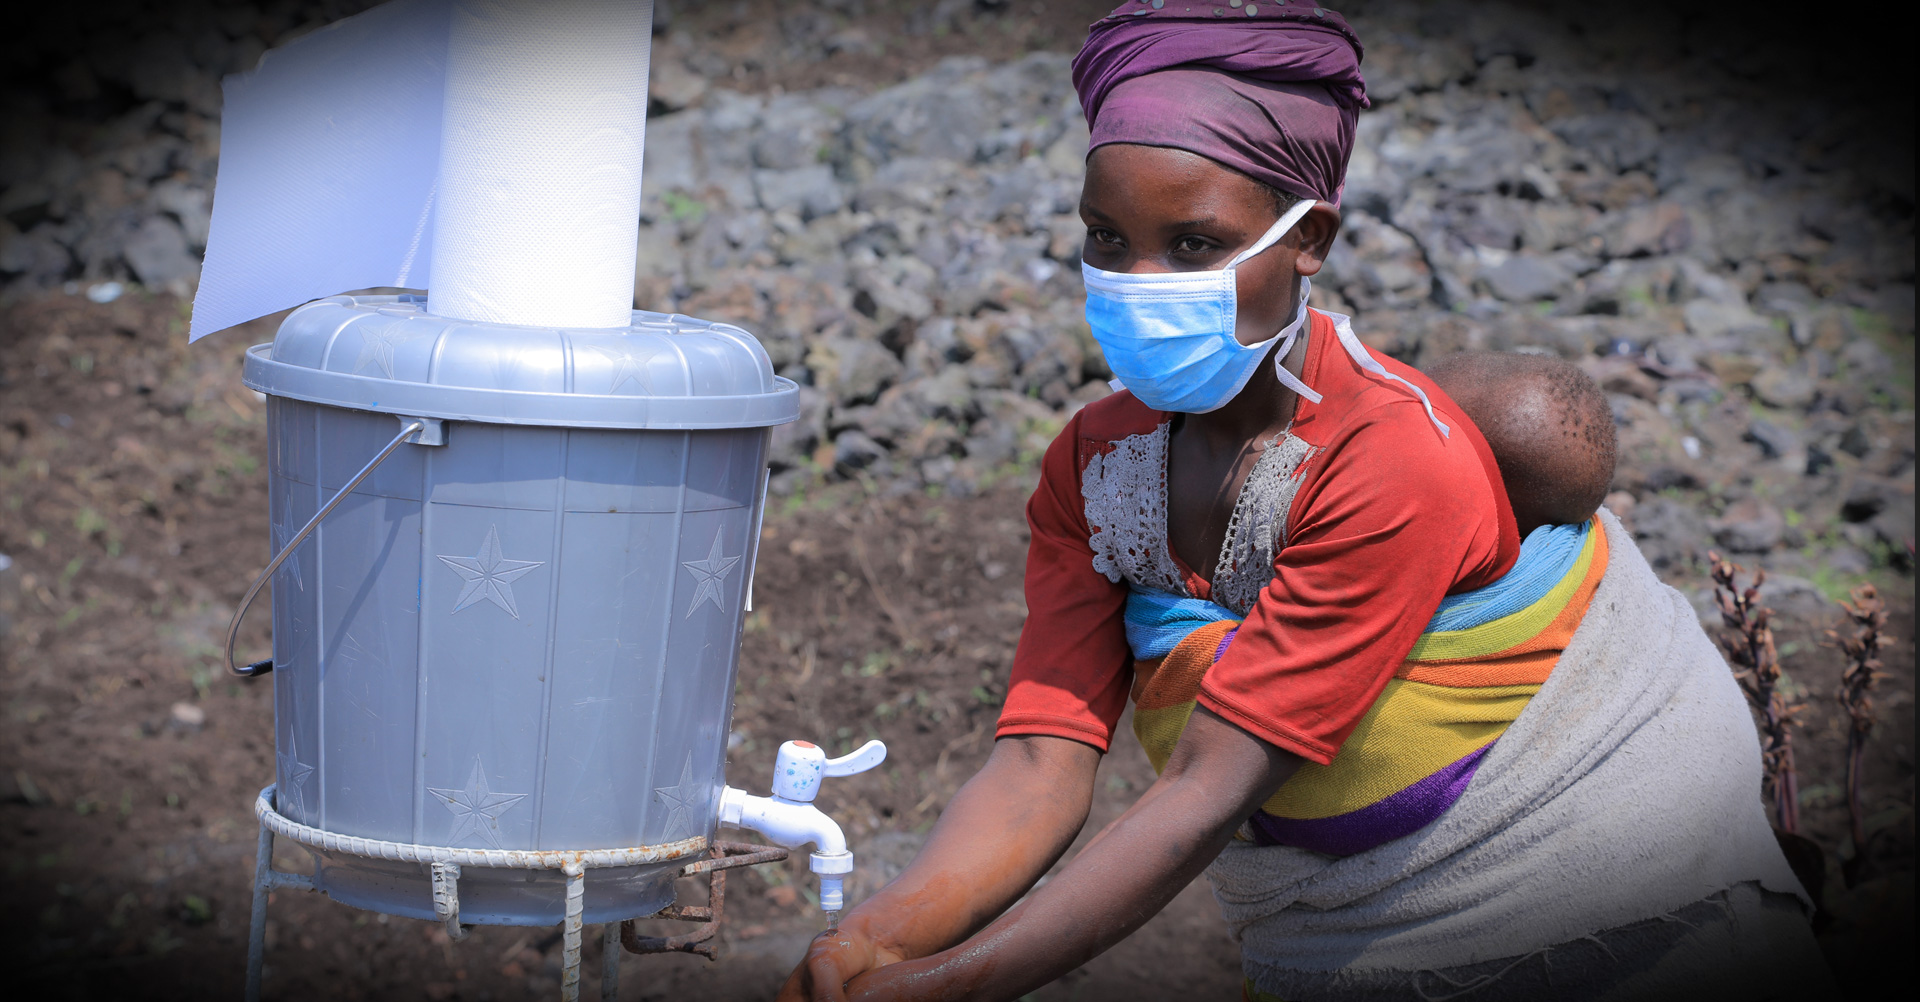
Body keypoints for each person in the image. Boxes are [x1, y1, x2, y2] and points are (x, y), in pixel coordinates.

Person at [779, 6, 1827, 1000]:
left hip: (1605, 933)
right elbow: (1040, 762)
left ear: (1308, 238)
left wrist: (960, 981)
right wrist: (878, 935)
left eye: (1192, 245)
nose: (1139, 280)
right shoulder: (1093, 467)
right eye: (1107, 240)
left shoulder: (1388, 458)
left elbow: (1207, 791)